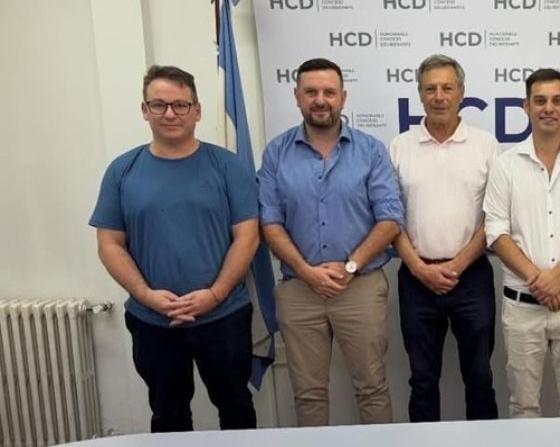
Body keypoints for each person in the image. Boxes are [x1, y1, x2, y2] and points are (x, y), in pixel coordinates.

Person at [90, 65, 259, 432]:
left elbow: (248, 237)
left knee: (236, 409)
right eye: (159, 104)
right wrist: (146, 295)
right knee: (168, 415)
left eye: (180, 105)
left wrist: (214, 294)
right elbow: (109, 244)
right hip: (153, 320)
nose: (170, 114)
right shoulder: (122, 170)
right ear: (144, 110)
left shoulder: (227, 167)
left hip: (223, 315)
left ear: (197, 111)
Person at [258, 57, 404, 426]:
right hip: (299, 288)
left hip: (360, 285)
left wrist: (350, 265)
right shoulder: (276, 152)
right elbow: (270, 222)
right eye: (311, 92)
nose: (320, 100)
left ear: (343, 97)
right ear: (297, 96)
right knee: (308, 394)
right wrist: (306, 271)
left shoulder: (370, 150)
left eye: (329, 92)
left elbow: (390, 219)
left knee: (372, 388)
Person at [483, 68, 560, 418]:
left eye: (556, 100)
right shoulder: (505, 165)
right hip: (522, 306)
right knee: (523, 406)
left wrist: (556, 277)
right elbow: (496, 231)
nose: (548, 108)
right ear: (526, 106)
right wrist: (539, 280)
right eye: (540, 101)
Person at [390, 54, 499, 421]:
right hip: (416, 278)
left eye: (447, 88)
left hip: (471, 276)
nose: (439, 96)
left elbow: (495, 216)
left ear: (461, 93)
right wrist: (419, 268)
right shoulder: (399, 146)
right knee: (422, 381)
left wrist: (458, 264)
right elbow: (390, 219)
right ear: (420, 94)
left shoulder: (485, 145)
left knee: (480, 379)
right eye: (430, 88)